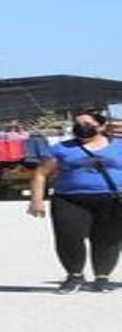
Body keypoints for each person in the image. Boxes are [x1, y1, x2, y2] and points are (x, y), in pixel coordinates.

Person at [28, 110, 122, 294]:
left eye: (87, 123)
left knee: (107, 239)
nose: (81, 127)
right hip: (70, 198)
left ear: (101, 126)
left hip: (111, 198)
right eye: (78, 124)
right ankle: (74, 276)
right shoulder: (61, 149)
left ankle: (102, 278)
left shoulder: (119, 146)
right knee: (68, 236)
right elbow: (41, 173)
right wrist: (36, 200)